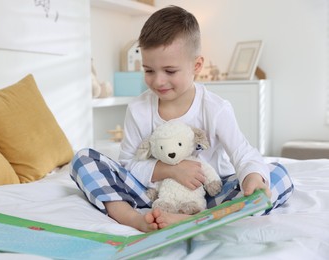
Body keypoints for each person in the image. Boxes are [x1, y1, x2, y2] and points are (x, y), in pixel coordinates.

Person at [70, 5, 293, 232]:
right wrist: (171, 170)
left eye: (170, 71)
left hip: (210, 195)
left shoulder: (215, 108)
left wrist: (252, 178)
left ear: (196, 65)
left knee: (276, 175)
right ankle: (133, 218)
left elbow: (243, 153)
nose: (158, 81)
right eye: (149, 70)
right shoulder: (138, 109)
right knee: (83, 159)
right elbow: (129, 165)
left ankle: (201, 217)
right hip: (154, 196)